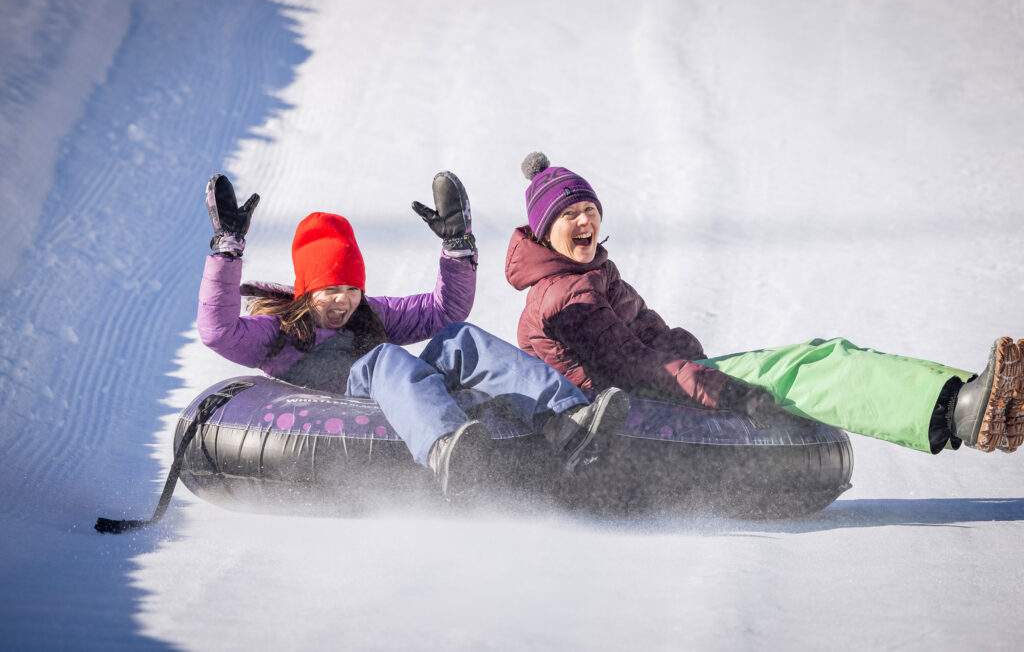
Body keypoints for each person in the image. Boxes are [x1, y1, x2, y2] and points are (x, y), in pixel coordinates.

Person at [504, 151, 1024, 455]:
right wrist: (726, 391)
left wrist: (685, 350)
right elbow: (634, 366)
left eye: (590, 208)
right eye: (569, 213)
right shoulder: (563, 296)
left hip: (661, 385)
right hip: (631, 412)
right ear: (546, 230)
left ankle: (978, 399)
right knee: (808, 367)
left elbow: (649, 335)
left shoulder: (592, 275)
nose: (585, 221)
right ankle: (961, 408)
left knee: (819, 355)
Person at [197, 170, 628, 500]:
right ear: (307, 291)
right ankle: (444, 448)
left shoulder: (368, 314)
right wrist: (227, 250)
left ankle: (568, 420)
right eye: (330, 291)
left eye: (351, 289)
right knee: (383, 358)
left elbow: (443, 311)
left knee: (460, 339)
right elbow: (218, 332)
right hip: (333, 398)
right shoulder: (281, 331)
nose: (343, 302)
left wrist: (457, 249)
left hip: (391, 391)